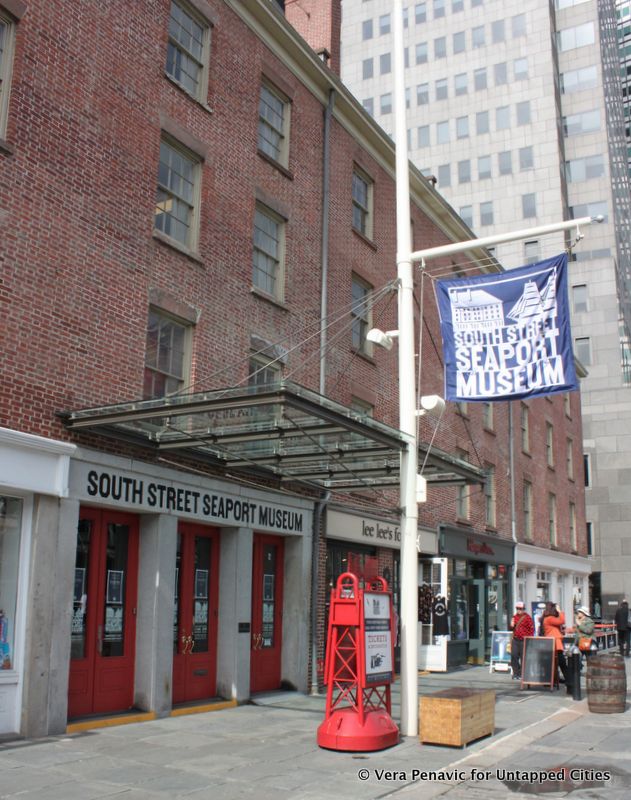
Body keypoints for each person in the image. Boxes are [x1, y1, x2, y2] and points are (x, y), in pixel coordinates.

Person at [542, 601, 572, 692]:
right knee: (561, 663)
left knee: (556, 663)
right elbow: (561, 620)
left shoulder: (547, 619)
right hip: (554, 644)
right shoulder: (549, 618)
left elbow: (556, 627)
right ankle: (568, 680)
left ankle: (553, 680)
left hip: (554, 643)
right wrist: (560, 611)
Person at [509, 600, 534, 679]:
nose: (519, 610)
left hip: (524, 640)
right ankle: (516, 673)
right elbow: (511, 629)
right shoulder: (514, 617)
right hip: (515, 640)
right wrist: (511, 625)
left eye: (520, 608)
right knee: (514, 656)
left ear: (524, 609)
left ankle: (522, 674)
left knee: (523, 658)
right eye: (517, 608)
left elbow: (532, 629)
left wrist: (529, 638)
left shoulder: (527, 617)